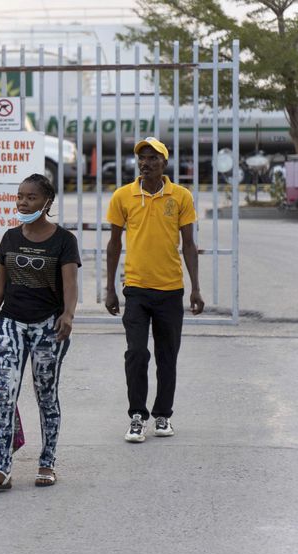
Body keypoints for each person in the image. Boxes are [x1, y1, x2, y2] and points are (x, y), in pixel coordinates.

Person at [0, 173, 80, 491]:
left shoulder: (64, 241)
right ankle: (3, 469)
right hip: (11, 323)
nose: (23, 202)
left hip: (48, 326)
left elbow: (70, 284)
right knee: (3, 395)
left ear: (47, 202)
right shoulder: (10, 238)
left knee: (46, 395)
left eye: (30, 197)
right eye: (20, 196)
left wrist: (67, 315)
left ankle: (47, 462)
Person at [105, 137, 204, 443]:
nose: (145, 163)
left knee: (167, 356)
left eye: (152, 158)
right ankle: (137, 416)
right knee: (136, 353)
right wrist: (110, 288)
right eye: (142, 158)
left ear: (164, 162)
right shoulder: (123, 196)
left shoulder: (181, 196)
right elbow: (114, 244)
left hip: (171, 290)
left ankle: (163, 415)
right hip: (135, 288)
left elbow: (188, 244)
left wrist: (195, 288)